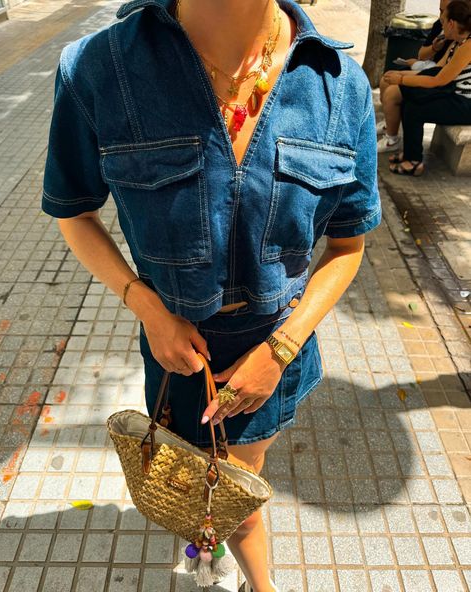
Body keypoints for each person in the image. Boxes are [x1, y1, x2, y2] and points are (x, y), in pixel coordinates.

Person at [40, 0, 381, 590]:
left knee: (238, 488)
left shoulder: (339, 86)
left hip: (273, 348)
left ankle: (247, 574)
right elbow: (75, 213)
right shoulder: (100, 67)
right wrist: (148, 309)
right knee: (202, 484)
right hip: (175, 346)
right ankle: (211, 547)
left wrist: (278, 353)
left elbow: (347, 248)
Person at [383, 0, 471, 176]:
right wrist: (408, 75)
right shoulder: (459, 42)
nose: (441, 23)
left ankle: (414, 162)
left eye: (443, 20)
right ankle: (410, 155)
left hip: (465, 105)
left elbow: (438, 80)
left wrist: (401, 80)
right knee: (411, 102)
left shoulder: (467, 47)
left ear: (452, 23)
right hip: (456, 95)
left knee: (415, 109)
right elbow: (438, 69)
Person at [377, 0, 453, 151]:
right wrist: (434, 48)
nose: (441, 17)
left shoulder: (463, 41)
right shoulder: (443, 27)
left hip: (445, 82)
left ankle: (393, 141)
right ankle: (390, 125)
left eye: (446, 12)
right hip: (434, 71)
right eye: (440, 10)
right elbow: (427, 59)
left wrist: (404, 78)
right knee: (387, 78)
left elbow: (440, 76)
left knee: (394, 92)